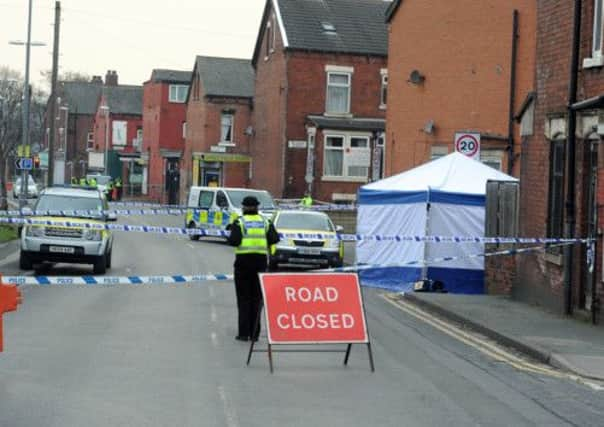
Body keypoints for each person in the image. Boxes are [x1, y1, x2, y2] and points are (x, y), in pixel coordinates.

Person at [227, 196, 280, 342]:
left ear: (243, 207)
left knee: (243, 298)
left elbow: (234, 241)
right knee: (257, 299)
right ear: (257, 207)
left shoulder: (240, 221)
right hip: (260, 263)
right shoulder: (265, 221)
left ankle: (243, 333)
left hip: (243, 263)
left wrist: (231, 232)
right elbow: (275, 238)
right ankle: (255, 334)